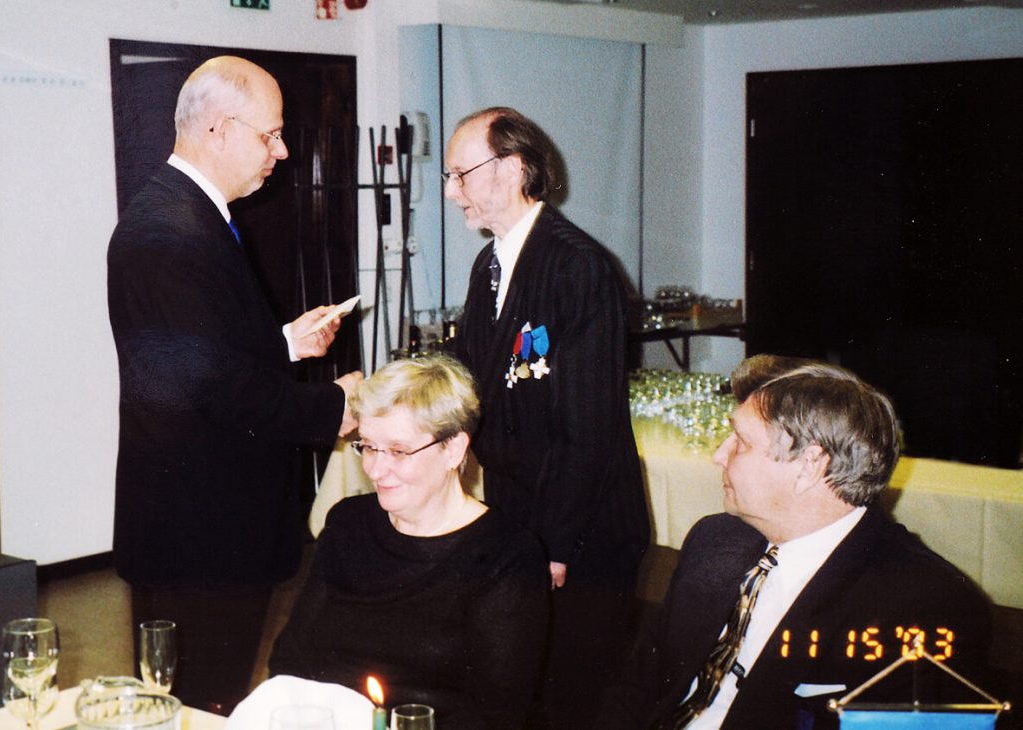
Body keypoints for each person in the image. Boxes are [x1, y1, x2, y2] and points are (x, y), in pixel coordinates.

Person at [107, 55, 361, 712]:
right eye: (270, 134)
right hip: (199, 535)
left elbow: (202, 354)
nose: (282, 151)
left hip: (202, 524)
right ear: (219, 129)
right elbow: (215, 388)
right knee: (197, 705)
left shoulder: (188, 213)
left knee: (197, 700)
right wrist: (335, 406)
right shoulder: (170, 230)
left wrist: (285, 342)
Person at [597, 355, 993, 729]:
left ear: (809, 466)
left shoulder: (925, 605)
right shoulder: (715, 539)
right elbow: (638, 687)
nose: (719, 456)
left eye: (740, 441)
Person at [443, 106, 650, 728]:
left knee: (571, 701)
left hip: (583, 530)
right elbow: (468, 377)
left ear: (511, 169)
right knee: (516, 686)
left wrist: (555, 544)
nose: (452, 193)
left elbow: (587, 427)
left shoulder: (576, 265)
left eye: (460, 175)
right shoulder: (490, 265)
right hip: (518, 515)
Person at [269, 355, 549, 729]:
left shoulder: (506, 555)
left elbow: (495, 715)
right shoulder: (348, 523)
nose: (375, 469)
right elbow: (290, 660)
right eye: (369, 446)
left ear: (453, 449)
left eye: (399, 451)